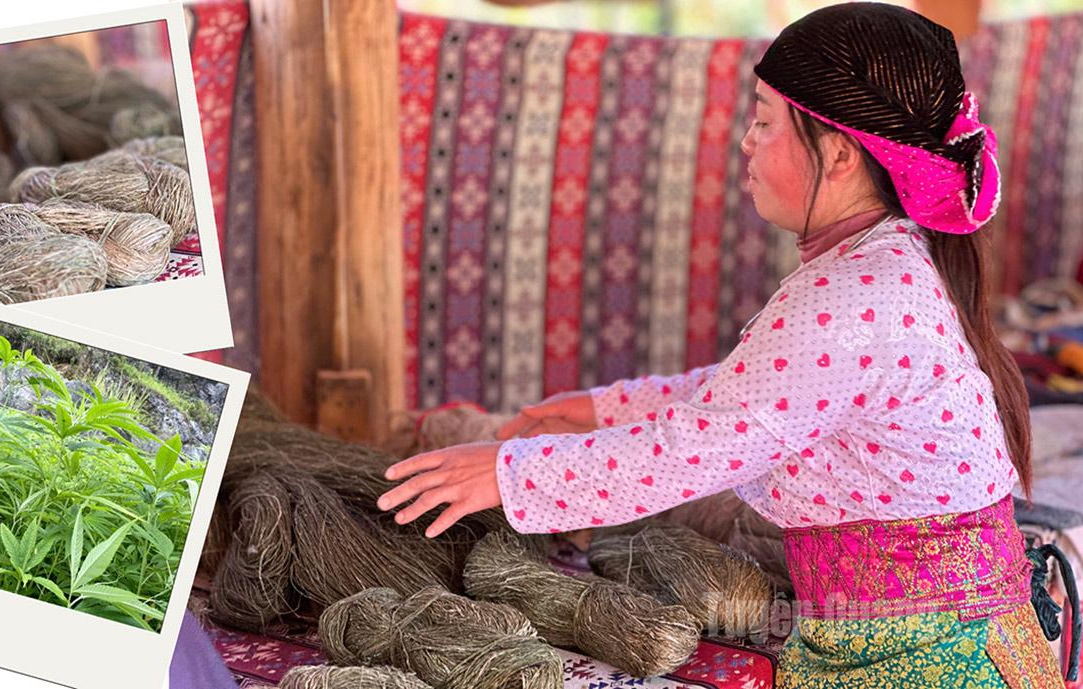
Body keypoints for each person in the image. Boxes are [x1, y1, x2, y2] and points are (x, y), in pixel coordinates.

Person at [376, 3, 1079, 686]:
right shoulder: (879, 263)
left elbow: (697, 448)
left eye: (765, 122)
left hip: (936, 657)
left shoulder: (858, 294)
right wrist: (603, 408)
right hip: (909, 638)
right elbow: (762, 393)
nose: (746, 141)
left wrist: (510, 475)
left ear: (838, 154)